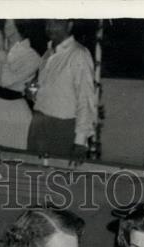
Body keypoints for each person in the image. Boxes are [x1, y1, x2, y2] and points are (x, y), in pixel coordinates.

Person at [27, 19, 96, 163]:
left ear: (70, 25)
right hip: (39, 125)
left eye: (57, 22)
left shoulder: (79, 54)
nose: (51, 27)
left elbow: (86, 99)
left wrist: (80, 142)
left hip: (62, 128)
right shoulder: (47, 54)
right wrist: (33, 93)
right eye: (48, 22)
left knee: (57, 178)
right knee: (31, 176)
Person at [0, 19, 40, 150]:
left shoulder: (32, 56)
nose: (5, 25)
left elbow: (6, 81)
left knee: (10, 160)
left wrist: (2, 49)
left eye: (9, 21)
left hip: (14, 114)